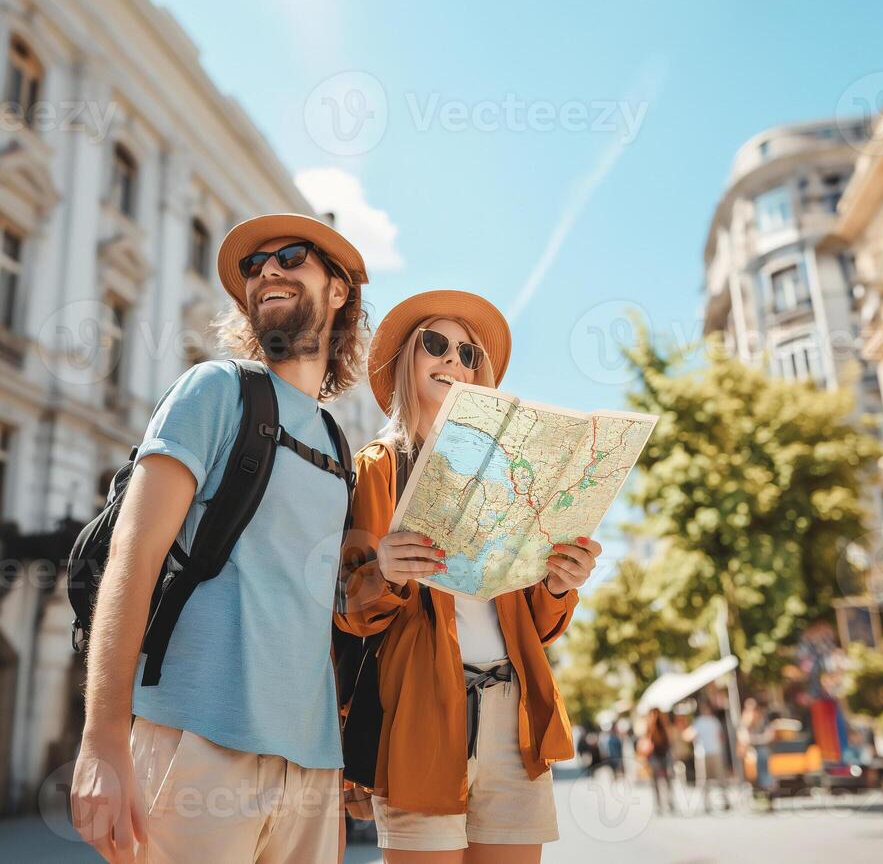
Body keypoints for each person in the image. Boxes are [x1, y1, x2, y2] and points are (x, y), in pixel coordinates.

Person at [70, 215, 370, 864]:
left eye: (292, 256)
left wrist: (332, 769)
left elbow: (315, 616)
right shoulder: (216, 389)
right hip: (194, 746)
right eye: (254, 266)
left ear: (340, 290)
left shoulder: (339, 446)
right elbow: (134, 553)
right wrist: (102, 740)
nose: (267, 270)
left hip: (311, 770)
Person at [337, 290, 601, 862]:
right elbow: (348, 611)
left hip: (514, 709)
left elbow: (539, 625)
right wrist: (384, 571)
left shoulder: (515, 477)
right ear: (408, 360)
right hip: (417, 713)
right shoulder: (378, 467)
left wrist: (559, 585)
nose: (453, 360)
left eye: (468, 352)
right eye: (435, 344)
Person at [685, 702, 731, 813]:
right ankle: (716, 802)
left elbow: (689, 736)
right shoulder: (709, 722)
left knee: (707, 779)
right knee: (713, 779)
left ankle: (710, 804)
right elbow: (721, 737)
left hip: (705, 753)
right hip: (710, 752)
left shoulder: (702, 722)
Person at [738, 698, 774, 803]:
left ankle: (766, 791)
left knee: (762, 762)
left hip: (761, 748)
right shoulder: (745, 720)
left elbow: (769, 734)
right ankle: (757, 792)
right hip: (750, 750)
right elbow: (743, 736)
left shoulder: (763, 719)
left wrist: (757, 739)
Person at [643, 709, 674, 813]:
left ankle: (669, 801)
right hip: (654, 756)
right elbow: (646, 741)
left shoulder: (663, 726)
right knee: (655, 781)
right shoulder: (649, 727)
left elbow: (668, 742)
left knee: (667, 780)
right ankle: (659, 804)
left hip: (663, 755)